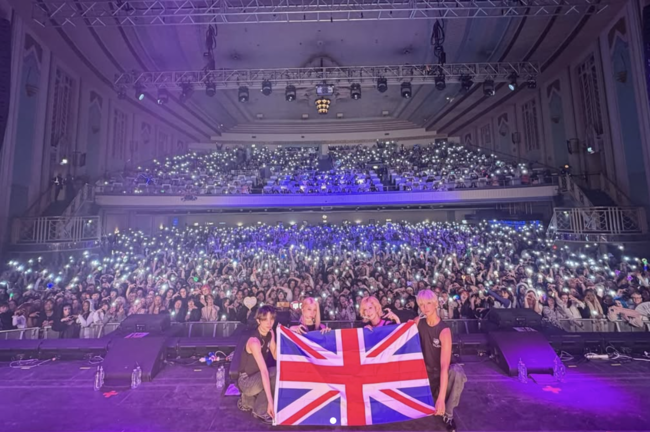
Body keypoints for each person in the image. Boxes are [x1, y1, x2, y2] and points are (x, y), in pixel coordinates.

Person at [416, 289, 466, 432]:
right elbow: (400, 332)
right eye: (421, 304)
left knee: (457, 372)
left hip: (440, 375)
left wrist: (441, 399)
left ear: (436, 304)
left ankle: (448, 415)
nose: (425, 307)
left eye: (428, 303)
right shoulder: (418, 322)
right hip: (425, 376)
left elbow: (444, 366)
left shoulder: (444, 331)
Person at [237, 305, 277, 424]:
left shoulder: (270, 333)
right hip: (246, 381)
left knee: (277, 371)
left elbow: (276, 356)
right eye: (265, 319)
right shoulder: (254, 341)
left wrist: (289, 333)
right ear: (258, 321)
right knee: (275, 373)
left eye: (271, 319)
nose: (269, 323)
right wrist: (271, 402)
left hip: (256, 376)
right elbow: (264, 372)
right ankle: (261, 410)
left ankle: (248, 401)